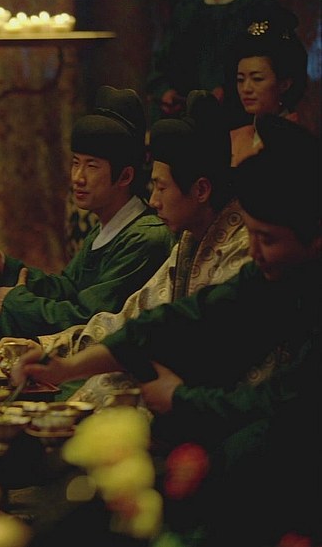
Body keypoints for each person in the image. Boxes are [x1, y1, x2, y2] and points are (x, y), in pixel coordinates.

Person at [17, 116, 320, 545]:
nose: (255, 251)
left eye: (267, 239)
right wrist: (64, 367)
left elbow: (283, 404)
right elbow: (185, 319)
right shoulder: (267, 268)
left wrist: (179, 399)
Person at [32, 90, 250, 405]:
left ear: (201, 190)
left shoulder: (241, 248)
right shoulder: (189, 241)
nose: (154, 201)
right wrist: (49, 347)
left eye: (161, 188)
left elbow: (197, 345)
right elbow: (134, 316)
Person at [0, 86, 175, 360]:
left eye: (92, 166)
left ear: (125, 176)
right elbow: (68, 288)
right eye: (76, 163)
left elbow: (87, 316)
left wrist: (16, 301)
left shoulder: (145, 238)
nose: (78, 177)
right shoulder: (105, 226)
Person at [146, 0, 291, 126]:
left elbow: (275, 67)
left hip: (239, 124)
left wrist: (229, 91)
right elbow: (162, 63)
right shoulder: (187, 9)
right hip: (188, 123)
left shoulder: (258, 7)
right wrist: (165, 92)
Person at [228, 12, 308, 167]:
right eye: (240, 80)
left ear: (284, 84)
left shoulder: (298, 138)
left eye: (257, 79)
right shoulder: (234, 138)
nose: (246, 89)